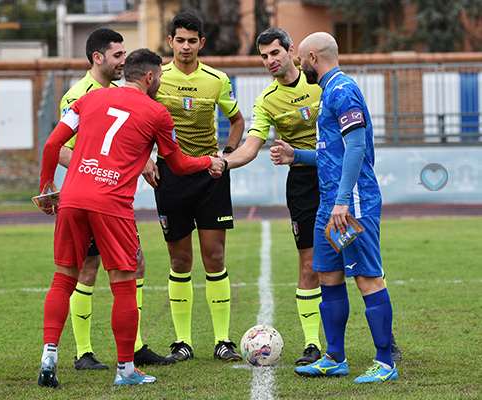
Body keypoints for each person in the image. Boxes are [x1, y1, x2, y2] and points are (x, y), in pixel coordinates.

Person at [36, 48, 225, 387]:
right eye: (160, 77)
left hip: (72, 198)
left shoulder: (89, 99)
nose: (161, 82)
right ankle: (125, 369)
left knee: (63, 278)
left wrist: (47, 185)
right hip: (111, 204)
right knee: (124, 283)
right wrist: (208, 162)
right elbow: (179, 164)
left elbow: (52, 144)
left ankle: (49, 355)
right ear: (150, 77)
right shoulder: (157, 112)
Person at [271, 32, 398, 383]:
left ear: (312, 57)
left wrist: (343, 200)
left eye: (300, 60)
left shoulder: (342, 91)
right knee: (326, 274)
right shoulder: (329, 91)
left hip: (351, 203)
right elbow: (334, 152)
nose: (297, 65)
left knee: (367, 278)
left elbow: (356, 148)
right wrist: (296, 155)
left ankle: (385, 362)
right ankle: (334, 357)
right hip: (330, 204)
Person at [48, 28, 174, 376]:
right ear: (97, 58)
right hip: (98, 194)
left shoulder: (117, 93)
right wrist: (104, 171)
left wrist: (138, 159)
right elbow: (61, 148)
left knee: (136, 264)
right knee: (87, 270)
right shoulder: (80, 94)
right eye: (117, 55)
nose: (123, 60)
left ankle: (132, 347)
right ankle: (85, 351)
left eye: (125, 55)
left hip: (106, 194)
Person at [142, 12, 245, 362]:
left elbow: (237, 120)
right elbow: (138, 121)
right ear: (170, 42)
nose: (186, 46)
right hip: (170, 177)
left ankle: (223, 341)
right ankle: (182, 342)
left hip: (210, 177)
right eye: (180, 40)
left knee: (214, 258)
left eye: (192, 40)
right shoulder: (155, 79)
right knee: (180, 259)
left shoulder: (217, 80)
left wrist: (226, 155)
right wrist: (145, 159)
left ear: (202, 43)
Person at [221, 27, 324, 366]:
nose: (270, 61)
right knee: (308, 263)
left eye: (275, 53)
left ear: (292, 51)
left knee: (361, 259)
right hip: (303, 183)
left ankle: (387, 339)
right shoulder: (266, 100)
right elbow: (252, 145)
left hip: (338, 176)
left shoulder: (320, 82)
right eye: (264, 56)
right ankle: (313, 344)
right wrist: (222, 162)